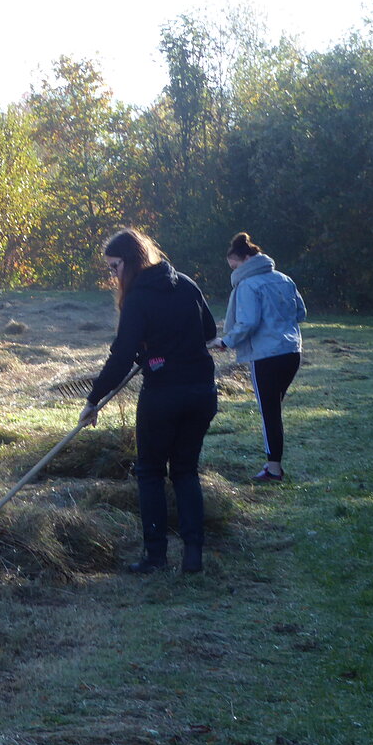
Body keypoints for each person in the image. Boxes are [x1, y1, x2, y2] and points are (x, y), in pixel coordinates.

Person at [79, 228, 218, 574]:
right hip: (202, 391)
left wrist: (93, 399)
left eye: (114, 267)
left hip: (164, 395)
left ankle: (155, 556)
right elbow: (210, 332)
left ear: (130, 261)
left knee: (151, 472)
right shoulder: (185, 283)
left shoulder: (139, 296)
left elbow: (121, 355)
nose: (113, 276)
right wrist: (163, 346)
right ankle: (192, 555)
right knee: (185, 470)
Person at [208, 232, 306, 483]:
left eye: (235, 265)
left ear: (247, 258)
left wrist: (226, 341)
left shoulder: (249, 285)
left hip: (266, 356)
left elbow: (248, 322)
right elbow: (301, 312)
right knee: (273, 409)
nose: (234, 271)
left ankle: (274, 469)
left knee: (269, 412)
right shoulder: (284, 279)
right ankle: (274, 465)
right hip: (292, 352)